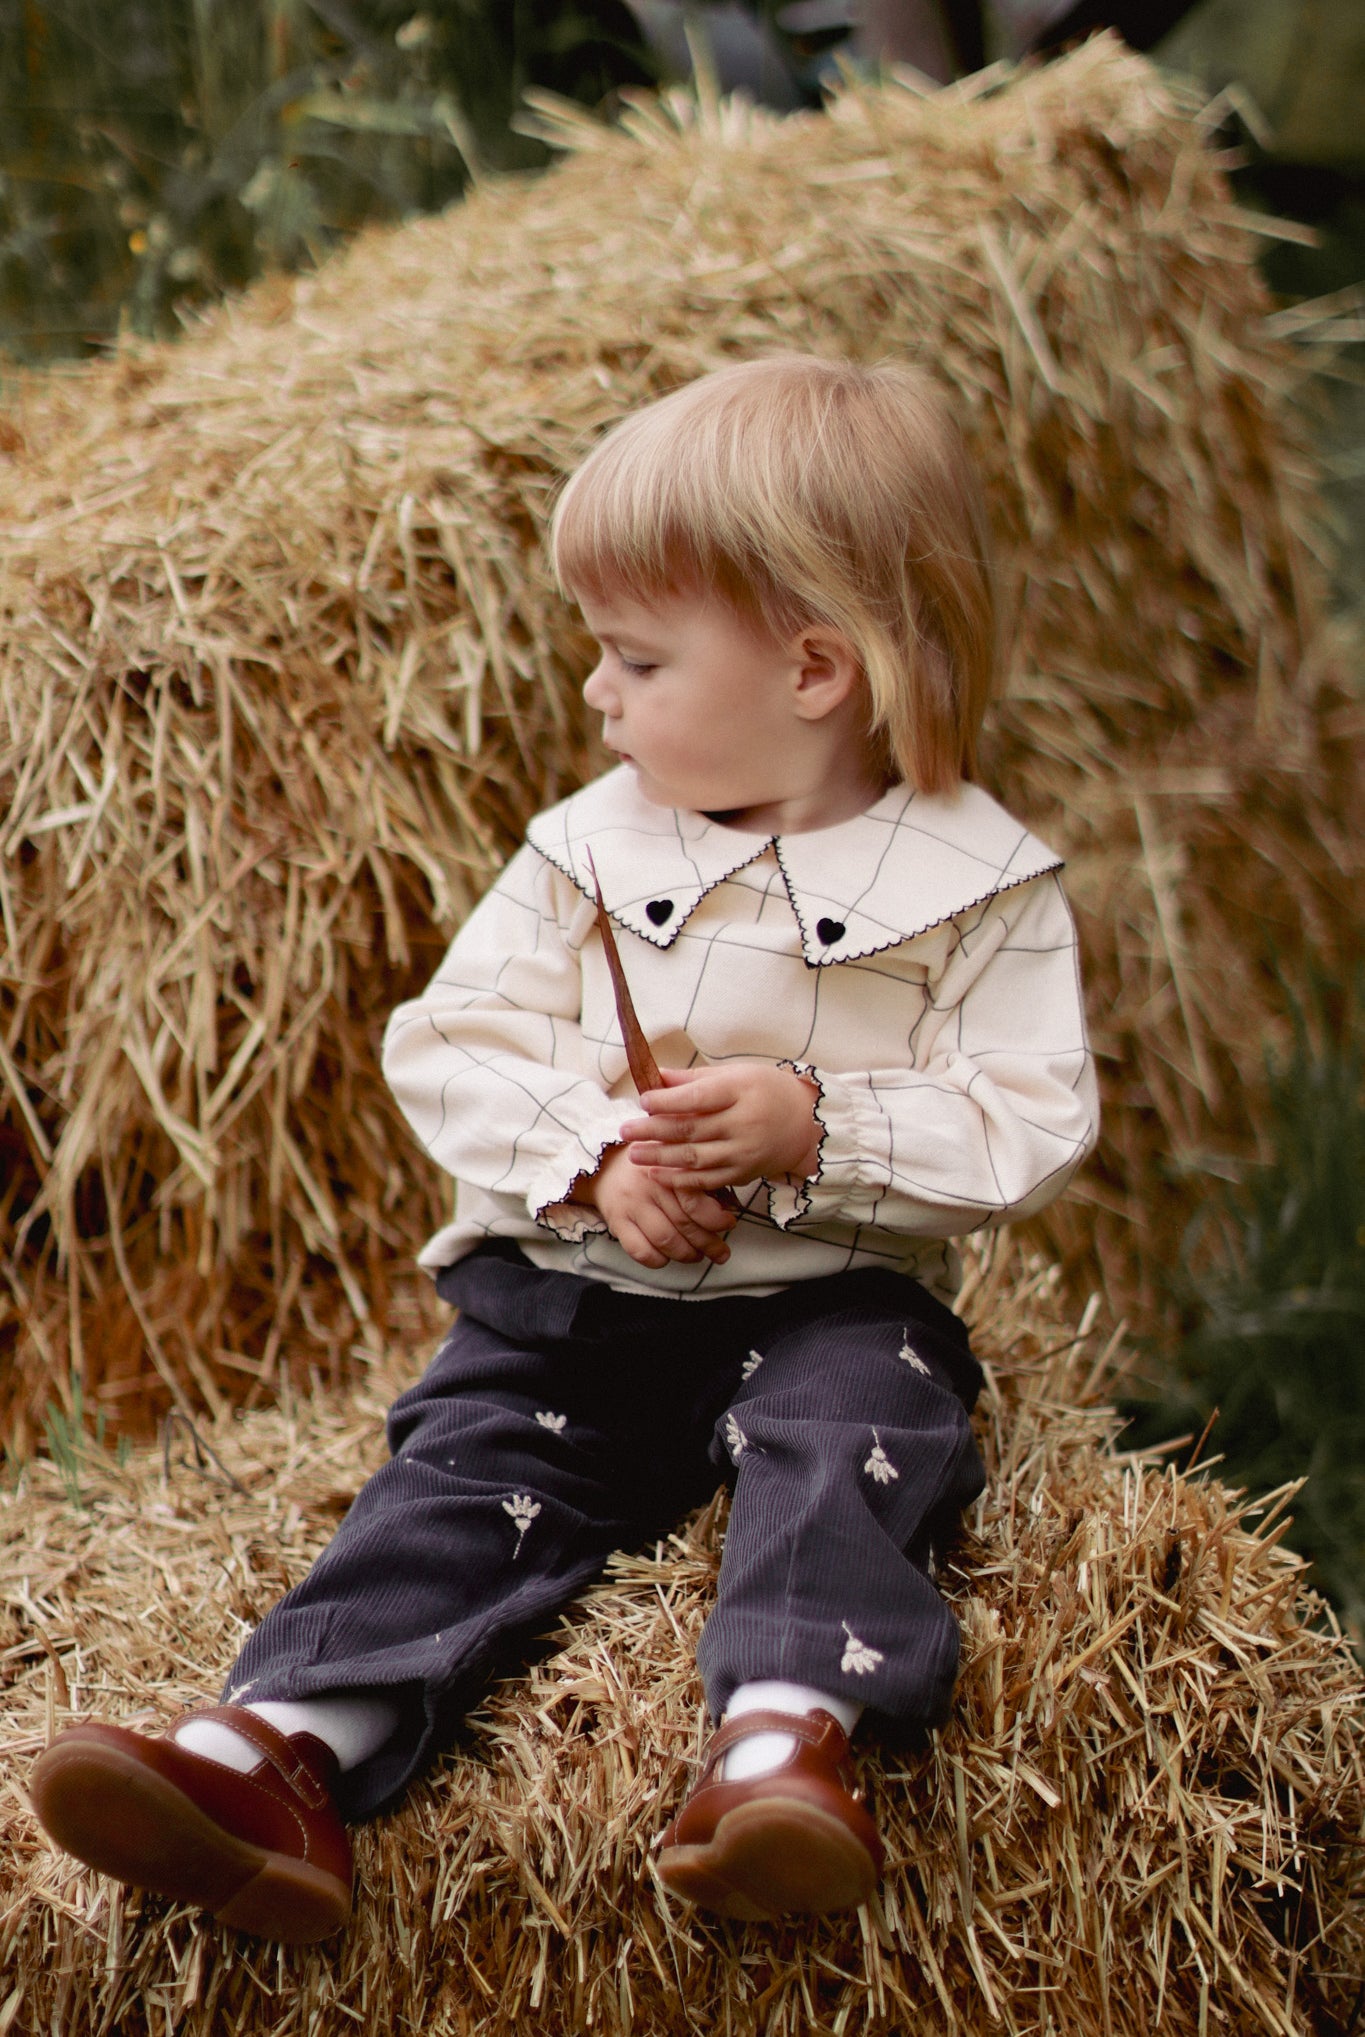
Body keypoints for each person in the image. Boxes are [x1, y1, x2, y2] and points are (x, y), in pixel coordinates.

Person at [30, 355, 1099, 1941]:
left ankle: (781, 1745)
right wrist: (596, 1154)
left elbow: (1031, 1112)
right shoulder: (584, 848)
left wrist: (819, 1124)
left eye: (634, 657)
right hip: (576, 1300)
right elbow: (450, 1039)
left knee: (853, 1443)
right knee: (460, 1478)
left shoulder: (980, 887)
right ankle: (278, 1755)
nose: (595, 694)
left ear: (814, 670)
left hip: (826, 1300)